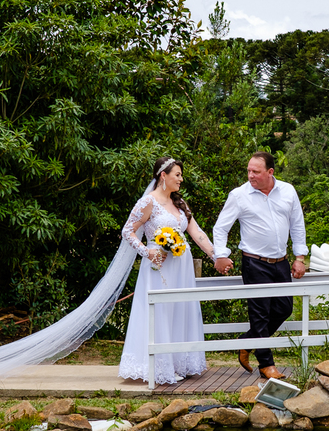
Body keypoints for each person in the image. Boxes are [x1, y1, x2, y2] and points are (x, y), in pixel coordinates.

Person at [119, 157, 217, 384]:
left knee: (180, 309)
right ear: (164, 175)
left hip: (181, 266)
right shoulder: (148, 202)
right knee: (161, 311)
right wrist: (147, 251)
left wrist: (216, 256)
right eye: (178, 175)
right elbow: (128, 231)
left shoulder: (180, 203)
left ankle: (180, 362)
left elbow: (197, 233)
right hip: (159, 266)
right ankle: (160, 366)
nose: (181, 179)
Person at [212, 152, 308, 380]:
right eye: (249, 171)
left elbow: (297, 224)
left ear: (270, 172)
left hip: (281, 262)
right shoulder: (239, 195)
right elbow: (220, 228)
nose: (250, 175)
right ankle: (267, 365)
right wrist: (222, 255)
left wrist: (300, 257)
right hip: (254, 263)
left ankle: (248, 341)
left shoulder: (288, 191)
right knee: (260, 314)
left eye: (256, 171)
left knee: (285, 308)